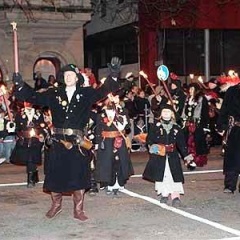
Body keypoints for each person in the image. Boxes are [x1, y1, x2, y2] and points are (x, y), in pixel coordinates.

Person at [12, 58, 121, 221]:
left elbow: (103, 91)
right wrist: (20, 85)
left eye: (72, 74)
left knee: (78, 175)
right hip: (57, 142)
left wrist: (113, 74)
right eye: (66, 74)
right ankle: (56, 205)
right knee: (55, 175)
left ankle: (78, 210)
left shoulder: (86, 93)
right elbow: (34, 97)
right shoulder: (53, 93)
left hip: (77, 143)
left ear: (77, 77)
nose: (69, 77)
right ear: (62, 77)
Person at [143, 104, 194, 206]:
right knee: (162, 175)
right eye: (164, 111)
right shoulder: (155, 127)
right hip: (159, 156)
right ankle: (164, 194)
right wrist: (156, 149)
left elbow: (181, 144)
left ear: (172, 114)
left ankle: (175, 196)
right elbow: (149, 141)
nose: (166, 113)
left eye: (168, 111)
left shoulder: (177, 128)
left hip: (173, 156)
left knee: (173, 175)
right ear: (161, 114)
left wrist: (187, 157)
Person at [95, 92, 133, 195]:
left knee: (120, 161)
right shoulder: (101, 114)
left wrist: (119, 110)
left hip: (119, 138)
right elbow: (98, 130)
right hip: (106, 141)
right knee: (108, 163)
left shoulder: (123, 111)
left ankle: (120, 182)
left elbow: (127, 126)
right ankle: (109, 183)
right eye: (109, 98)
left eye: (115, 97)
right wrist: (98, 143)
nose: (112, 100)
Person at [10, 101, 46, 187]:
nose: (28, 103)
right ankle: (34, 175)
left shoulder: (38, 113)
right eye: (26, 102)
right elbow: (17, 127)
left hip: (35, 139)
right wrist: (12, 128)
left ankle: (30, 180)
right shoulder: (19, 113)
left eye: (29, 101)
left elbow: (42, 126)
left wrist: (42, 135)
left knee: (31, 158)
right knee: (29, 159)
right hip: (25, 139)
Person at [217, 83, 240, 193]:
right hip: (235, 128)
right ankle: (230, 185)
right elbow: (224, 108)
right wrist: (221, 125)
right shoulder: (232, 90)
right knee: (232, 158)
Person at [181, 83, 210, 167]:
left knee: (197, 142)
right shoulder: (187, 99)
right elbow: (184, 111)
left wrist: (205, 126)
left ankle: (198, 160)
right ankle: (189, 160)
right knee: (188, 142)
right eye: (189, 89)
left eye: (192, 89)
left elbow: (205, 113)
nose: (190, 91)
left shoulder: (202, 99)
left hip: (198, 124)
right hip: (188, 124)